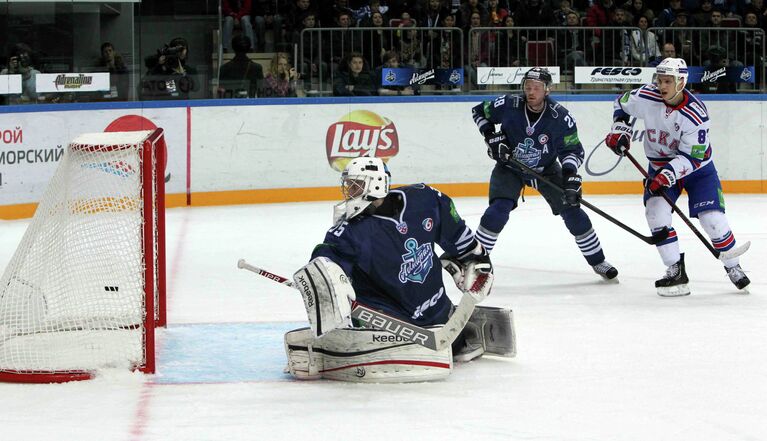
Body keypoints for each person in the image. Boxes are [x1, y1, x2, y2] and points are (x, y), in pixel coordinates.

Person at [283, 157, 500, 382]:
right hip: (386, 320)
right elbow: (328, 254)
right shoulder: (349, 231)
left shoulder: (425, 199)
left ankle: (447, 325)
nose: (349, 192)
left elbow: (460, 238)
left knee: (446, 327)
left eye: (355, 185)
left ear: (376, 184)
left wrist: (477, 261)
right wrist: (324, 273)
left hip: (436, 312)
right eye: (348, 186)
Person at [604, 57, 750, 296]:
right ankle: (675, 271)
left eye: (668, 81)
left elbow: (693, 157)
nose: (662, 86)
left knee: (712, 220)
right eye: (660, 80)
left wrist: (667, 175)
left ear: (681, 81)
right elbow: (621, 104)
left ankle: (733, 265)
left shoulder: (696, 114)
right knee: (655, 214)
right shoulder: (646, 97)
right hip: (659, 166)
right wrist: (621, 128)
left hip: (698, 170)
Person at [471, 67, 619, 281]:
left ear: (547, 90)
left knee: (574, 213)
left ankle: (598, 261)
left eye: (537, 88)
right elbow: (478, 111)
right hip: (510, 167)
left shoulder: (560, 117)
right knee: (497, 211)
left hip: (547, 170)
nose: (531, 92)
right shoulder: (508, 104)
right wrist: (492, 137)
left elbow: (572, 151)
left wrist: (569, 177)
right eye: (527, 87)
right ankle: (473, 261)